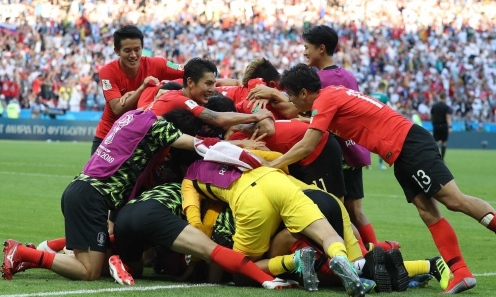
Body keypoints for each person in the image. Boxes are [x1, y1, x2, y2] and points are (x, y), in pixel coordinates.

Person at [266, 63, 496, 294]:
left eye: (292, 95)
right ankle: (462, 273)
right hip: (399, 152)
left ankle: (463, 270)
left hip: (409, 144)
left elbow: (307, 145)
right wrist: (272, 95)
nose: (291, 101)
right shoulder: (330, 95)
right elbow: (295, 113)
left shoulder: (325, 101)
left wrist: (271, 165)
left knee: (455, 200)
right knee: (427, 212)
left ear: (304, 92)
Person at [1, 108, 199, 282]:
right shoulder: (157, 130)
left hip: (82, 191)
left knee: (97, 264)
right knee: (89, 271)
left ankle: (28, 258)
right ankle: (22, 251)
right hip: (91, 198)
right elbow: (195, 144)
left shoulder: (135, 119)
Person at [181, 144, 366, 297]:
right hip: (276, 180)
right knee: (327, 235)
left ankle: (294, 260)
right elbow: (276, 156)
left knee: (242, 271)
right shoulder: (222, 148)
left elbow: (196, 223)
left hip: (249, 199)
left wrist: (194, 260)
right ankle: (341, 259)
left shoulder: (189, 177)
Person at [92, 25, 184, 154]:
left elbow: (190, 75)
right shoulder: (108, 72)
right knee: (95, 175)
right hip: (109, 134)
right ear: (117, 51)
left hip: (140, 137)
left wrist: (163, 86)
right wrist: (142, 88)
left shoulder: (157, 64)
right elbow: (118, 109)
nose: (133, 55)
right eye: (127, 50)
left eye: (137, 49)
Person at [148, 58, 274, 129]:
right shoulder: (178, 99)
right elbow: (217, 118)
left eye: (214, 83)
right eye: (208, 84)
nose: (213, 89)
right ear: (190, 82)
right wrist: (255, 117)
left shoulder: (197, 97)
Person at [369, 82, 390, 169]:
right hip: (379, 122)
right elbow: (389, 108)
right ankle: (380, 164)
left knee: (367, 142)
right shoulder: (384, 96)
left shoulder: (371, 94)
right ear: (384, 88)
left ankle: (367, 163)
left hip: (369, 121)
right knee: (380, 143)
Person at [430, 93, 452, 160]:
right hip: (444, 126)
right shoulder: (446, 107)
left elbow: (431, 116)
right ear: (445, 98)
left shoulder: (434, 106)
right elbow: (448, 117)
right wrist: (450, 127)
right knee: (444, 142)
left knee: (435, 143)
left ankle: (434, 158)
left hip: (436, 126)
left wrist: (433, 123)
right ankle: (442, 159)